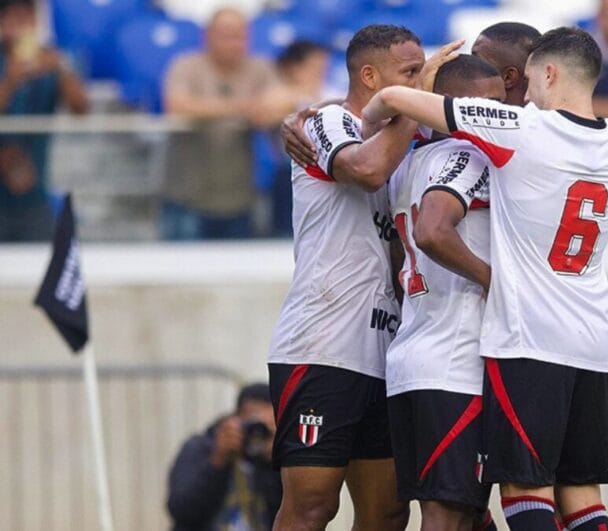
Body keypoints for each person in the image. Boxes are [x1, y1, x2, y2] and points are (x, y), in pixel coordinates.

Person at [362, 27, 608, 530]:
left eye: (522, 79)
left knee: (524, 491)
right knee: (581, 494)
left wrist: (367, 127)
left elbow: (394, 98)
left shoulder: (518, 131)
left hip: (526, 341)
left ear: (546, 74)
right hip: (587, 341)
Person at [266, 24, 460, 531]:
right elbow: (367, 168)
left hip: (387, 350)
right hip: (323, 344)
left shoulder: (403, 138)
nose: (422, 82)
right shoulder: (329, 119)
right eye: (410, 72)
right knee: (313, 506)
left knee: (388, 512)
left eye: (423, 71)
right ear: (370, 75)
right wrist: (416, 103)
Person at [385, 54, 505, 531]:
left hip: (415, 355)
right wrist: (495, 282)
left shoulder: (408, 161)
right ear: (457, 108)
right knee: (447, 515)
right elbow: (434, 231)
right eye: (491, 104)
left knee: (470, 513)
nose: (503, 114)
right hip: (455, 362)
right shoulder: (467, 154)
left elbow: (403, 250)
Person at [161, 7, 278, 240]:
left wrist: (262, 110)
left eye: (239, 35)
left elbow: (280, 104)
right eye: (226, 34)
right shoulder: (187, 65)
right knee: (179, 273)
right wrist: (242, 107)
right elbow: (176, 105)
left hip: (239, 200)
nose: (233, 43)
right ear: (207, 35)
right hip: (187, 198)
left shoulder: (259, 67)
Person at [0, 0, 88, 242]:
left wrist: (62, 68)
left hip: (35, 195)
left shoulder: (52, 59)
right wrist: (11, 80)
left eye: (28, 18)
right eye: (15, 18)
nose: (23, 26)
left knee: (41, 262)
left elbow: (81, 109)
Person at [167, 383, 281, 531]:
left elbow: (287, 514)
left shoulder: (274, 458)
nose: (258, 432)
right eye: (254, 423)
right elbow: (182, 510)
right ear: (236, 418)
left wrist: (276, 461)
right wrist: (218, 460)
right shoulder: (201, 447)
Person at [259, 40, 331, 238]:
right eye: (314, 68)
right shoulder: (279, 94)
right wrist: (303, 97)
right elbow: (262, 114)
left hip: (329, 176)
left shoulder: (330, 90)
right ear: (294, 68)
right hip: (290, 175)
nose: (320, 74)